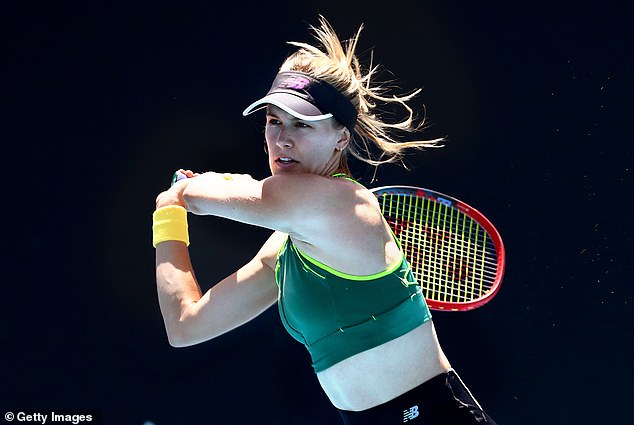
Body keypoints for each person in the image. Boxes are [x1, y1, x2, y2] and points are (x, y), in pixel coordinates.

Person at [152, 16, 498, 425]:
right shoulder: (282, 248)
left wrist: (183, 192)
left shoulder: (343, 203)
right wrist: (167, 217)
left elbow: (225, 195)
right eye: (274, 121)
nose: (283, 139)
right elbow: (185, 326)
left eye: (302, 124)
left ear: (341, 138)